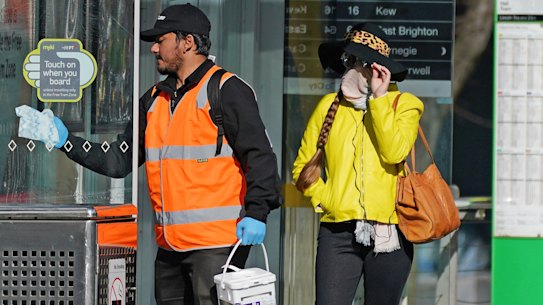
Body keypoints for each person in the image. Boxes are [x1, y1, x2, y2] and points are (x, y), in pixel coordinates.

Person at [16, 4, 281, 305]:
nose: (154, 48)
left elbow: (261, 157)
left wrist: (258, 212)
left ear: (188, 43)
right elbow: (118, 160)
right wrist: (64, 140)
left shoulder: (227, 90)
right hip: (169, 248)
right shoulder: (153, 99)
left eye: (161, 40)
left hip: (217, 245)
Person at [292, 23, 424, 305]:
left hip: (390, 231)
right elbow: (303, 167)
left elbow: (394, 152)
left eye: (357, 61)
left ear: (377, 68)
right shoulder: (329, 105)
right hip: (337, 231)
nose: (350, 66)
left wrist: (378, 100)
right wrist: (327, 199)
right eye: (347, 59)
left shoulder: (405, 104)